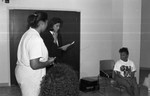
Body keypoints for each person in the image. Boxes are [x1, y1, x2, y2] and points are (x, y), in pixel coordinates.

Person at [15, 11, 56, 96]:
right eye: (46, 22)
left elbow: (31, 55)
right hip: (30, 77)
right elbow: (34, 64)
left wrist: (45, 58)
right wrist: (48, 62)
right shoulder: (35, 38)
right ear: (41, 23)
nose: (47, 25)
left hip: (23, 72)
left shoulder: (28, 33)